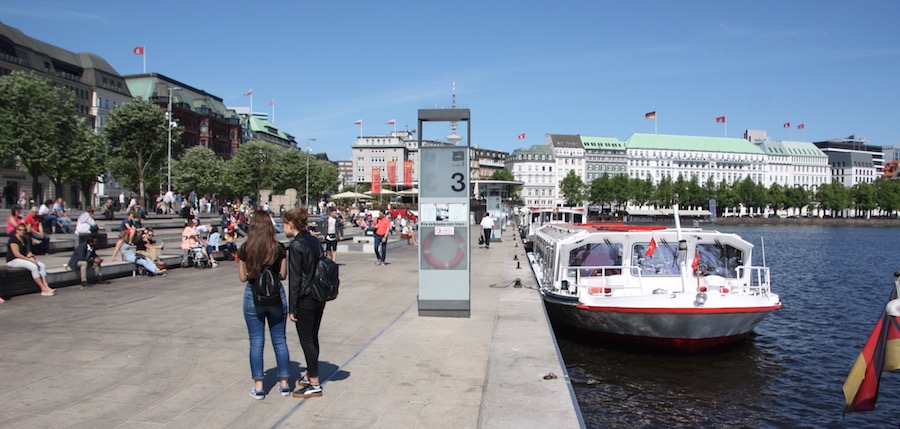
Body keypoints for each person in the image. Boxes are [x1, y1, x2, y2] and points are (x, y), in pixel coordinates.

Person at [238, 211, 291, 399]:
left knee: (256, 341)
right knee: (280, 340)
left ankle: (259, 386)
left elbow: (243, 278)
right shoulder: (279, 248)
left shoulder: (245, 249)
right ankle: (284, 383)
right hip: (276, 295)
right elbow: (283, 276)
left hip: (253, 295)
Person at [282, 207, 326, 398]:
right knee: (313, 336)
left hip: (305, 297)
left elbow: (295, 280)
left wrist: (292, 308)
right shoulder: (314, 240)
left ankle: (314, 382)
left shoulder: (296, 245)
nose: (283, 228)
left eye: (284, 224)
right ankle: (311, 373)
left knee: (306, 339)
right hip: (319, 294)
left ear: (291, 224)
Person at [5, 223, 54, 296]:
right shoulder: (13, 240)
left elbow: (27, 252)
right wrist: (28, 260)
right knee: (33, 267)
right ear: (17, 230)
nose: (22, 232)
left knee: (41, 265)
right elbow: (16, 254)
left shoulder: (25, 239)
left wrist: (31, 258)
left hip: (23, 258)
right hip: (13, 260)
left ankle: (46, 285)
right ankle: (42, 288)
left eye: (24, 230)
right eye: (20, 230)